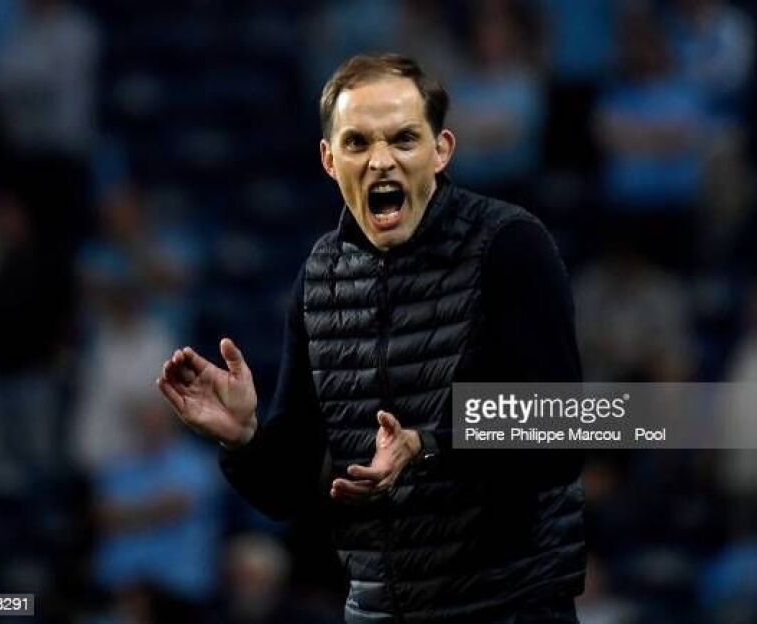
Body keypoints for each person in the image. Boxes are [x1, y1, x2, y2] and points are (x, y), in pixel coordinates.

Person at [158, 54, 585, 623]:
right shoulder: (319, 279)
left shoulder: (510, 246)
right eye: (357, 143)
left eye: (404, 139)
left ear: (441, 149)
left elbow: (564, 429)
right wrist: (244, 438)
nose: (381, 161)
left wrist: (426, 445)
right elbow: (286, 492)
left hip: (509, 606)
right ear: (329, 160)